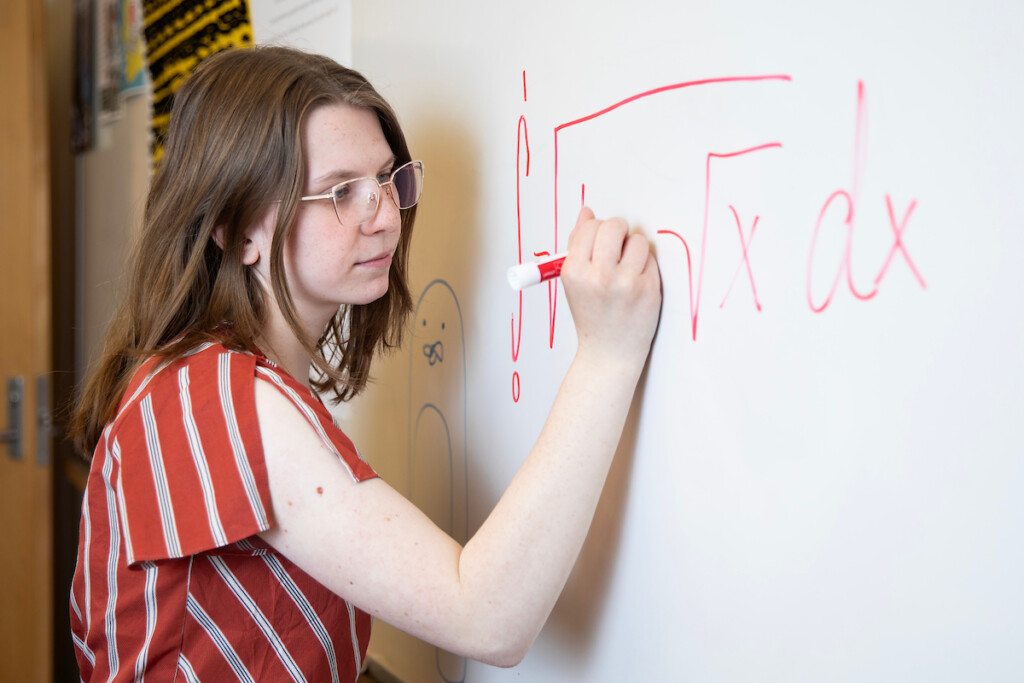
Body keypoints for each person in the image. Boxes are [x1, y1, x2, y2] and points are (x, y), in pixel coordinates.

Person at [68, 45, 661, 682]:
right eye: (341, 192)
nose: (382, 216)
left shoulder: (204, 379)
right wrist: (606, 353)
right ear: (240, 231)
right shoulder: (217, 398)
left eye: (386, 180)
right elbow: (488, 616)